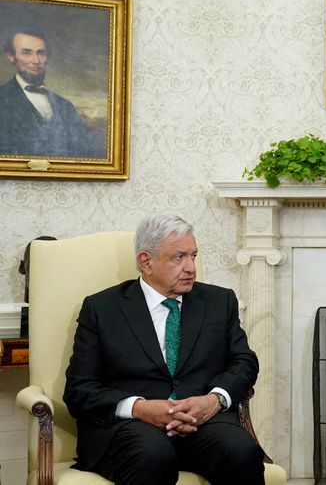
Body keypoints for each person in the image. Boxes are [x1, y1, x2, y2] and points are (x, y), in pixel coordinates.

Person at [63, 215, 265, 485]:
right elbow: (79, 390)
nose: (191, 267)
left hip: (202, 422)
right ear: (146, 261)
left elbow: (244, 362)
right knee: (152, 454)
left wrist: (214, 400)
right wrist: (139, 408)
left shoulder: (219, 301)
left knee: (241, 450)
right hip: (131, 428)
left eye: (193, 256)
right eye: (178, 257)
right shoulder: (102, 309)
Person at [0, 27, 104, 158]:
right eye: (27, 53)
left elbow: (83, 153)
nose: (36, 61)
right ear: (11, 56)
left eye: (41, 53)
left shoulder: (65, 106)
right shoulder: (2, 98)